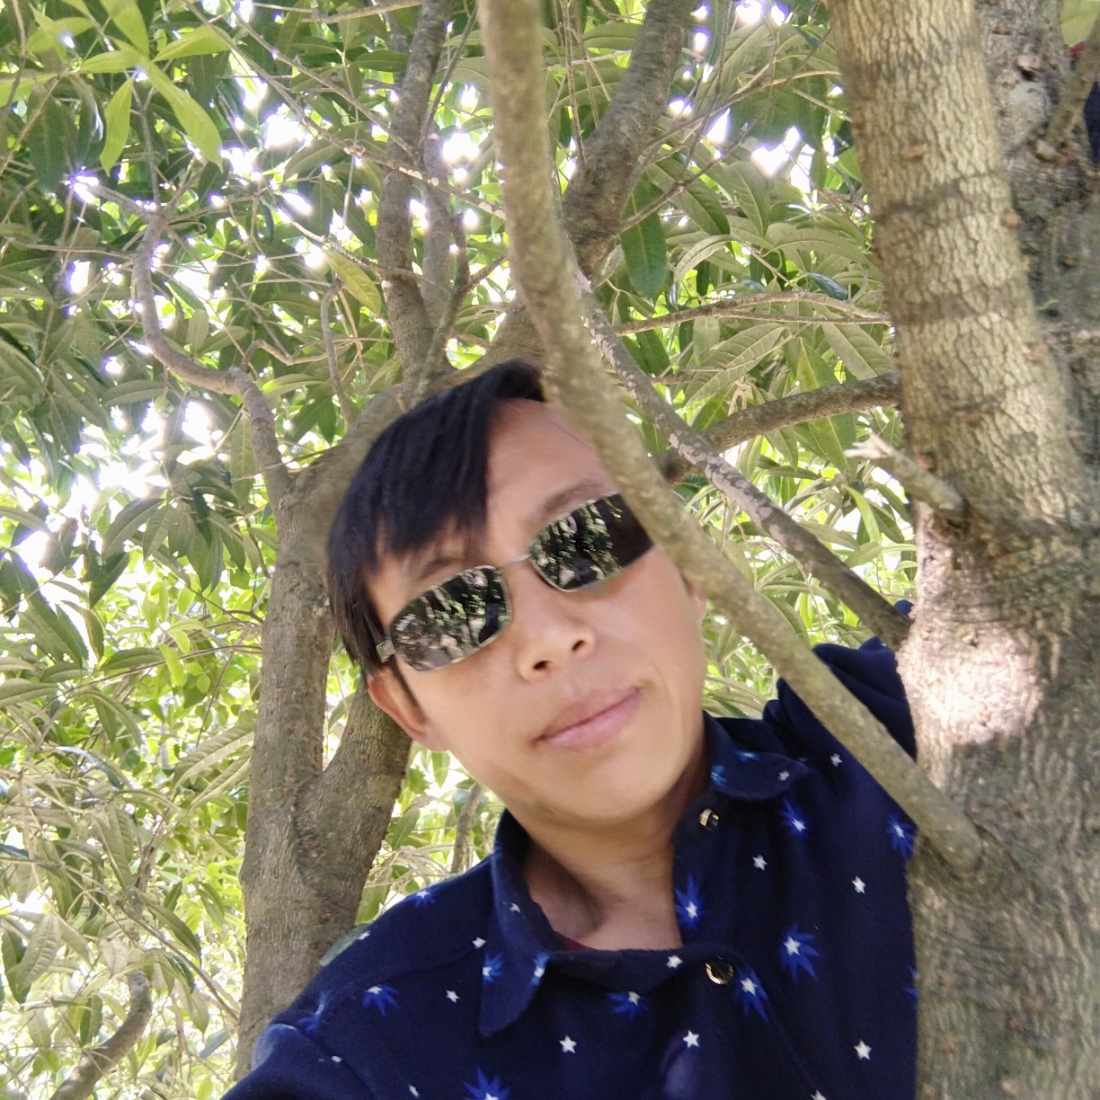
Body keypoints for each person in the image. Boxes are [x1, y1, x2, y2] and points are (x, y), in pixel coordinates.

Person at [224, 359, 917, 1100]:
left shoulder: (897, 722)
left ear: (687, 560)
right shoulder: (365, 1052)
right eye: (452, 612)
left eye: (588, 538)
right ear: (408, 708)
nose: (549, 637)